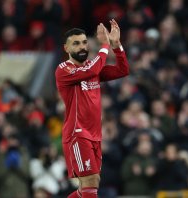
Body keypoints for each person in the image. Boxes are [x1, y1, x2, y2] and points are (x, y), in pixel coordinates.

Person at [55, 19, 129, 198]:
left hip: (94, 133)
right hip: (77, 132)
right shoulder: (64, 69)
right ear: (66, 48)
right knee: (89, 183)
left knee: (91, 185)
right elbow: (92, 72)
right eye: (76, 43)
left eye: (84, 42)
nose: (82, 47)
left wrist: (117, 45)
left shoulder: (92, 67)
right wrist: (105, 46)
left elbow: (122, 70)